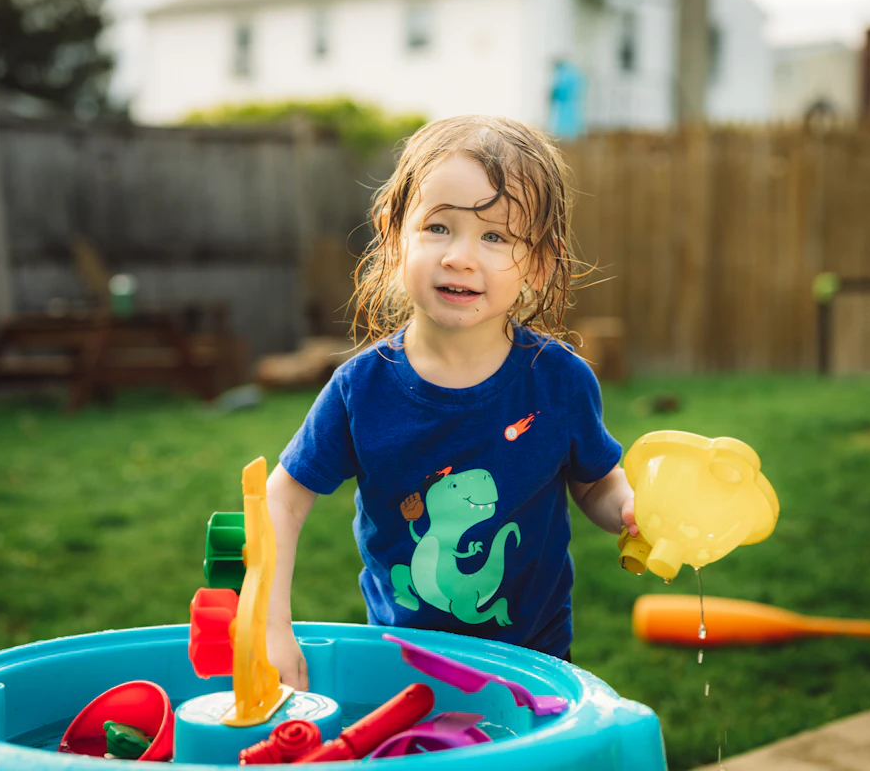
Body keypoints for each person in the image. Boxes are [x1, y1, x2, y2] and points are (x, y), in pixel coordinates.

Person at [265, 115, 637, 691]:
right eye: (439, 228)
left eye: (496, 237)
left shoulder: (559, 383)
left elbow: (595, 483)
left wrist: (630, 512)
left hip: (533, 668)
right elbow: (283, 501)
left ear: (538, 263)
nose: (461, 257)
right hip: (400, 667)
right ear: (394, 238)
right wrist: (271, 624)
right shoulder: (360, 389)